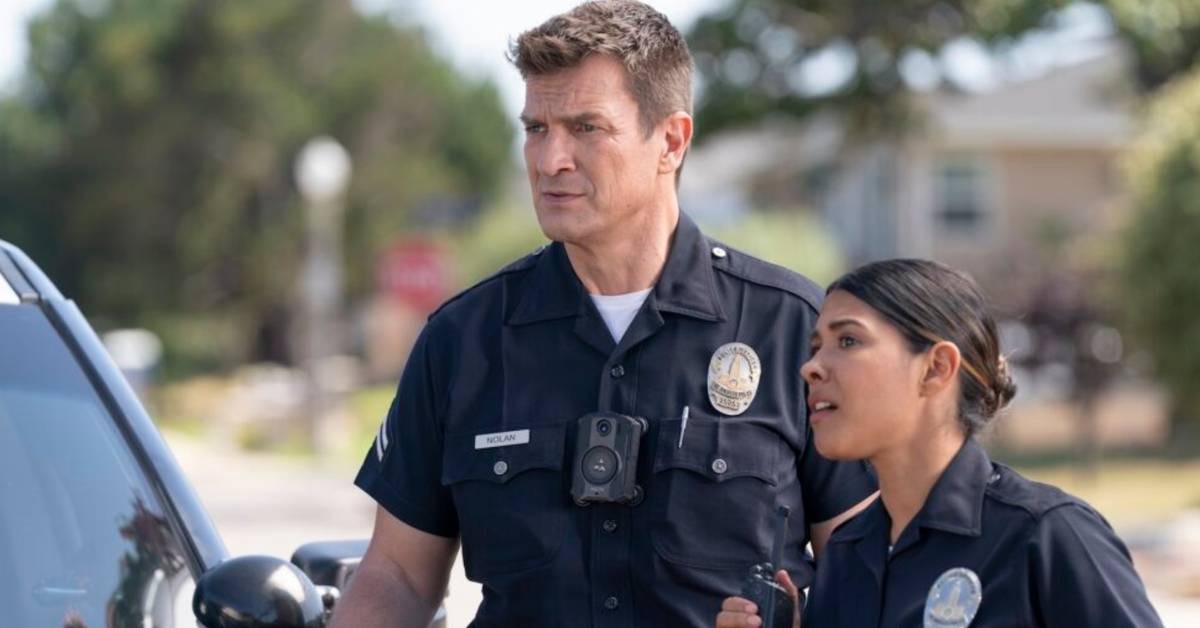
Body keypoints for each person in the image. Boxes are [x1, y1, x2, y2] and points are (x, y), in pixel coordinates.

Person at [331, 2, 877, 627]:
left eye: (586, 127)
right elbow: (397, 574)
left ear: (671, 141)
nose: (549, 160)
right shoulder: (461, 340)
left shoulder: (794, 329)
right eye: (536, 128)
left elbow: (866, 570)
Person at [716, 259, 1163, 628]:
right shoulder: (846, 558)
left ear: (936, 368)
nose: (811, 367)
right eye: (816, 347)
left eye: (848, 340)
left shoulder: (1046, 536)